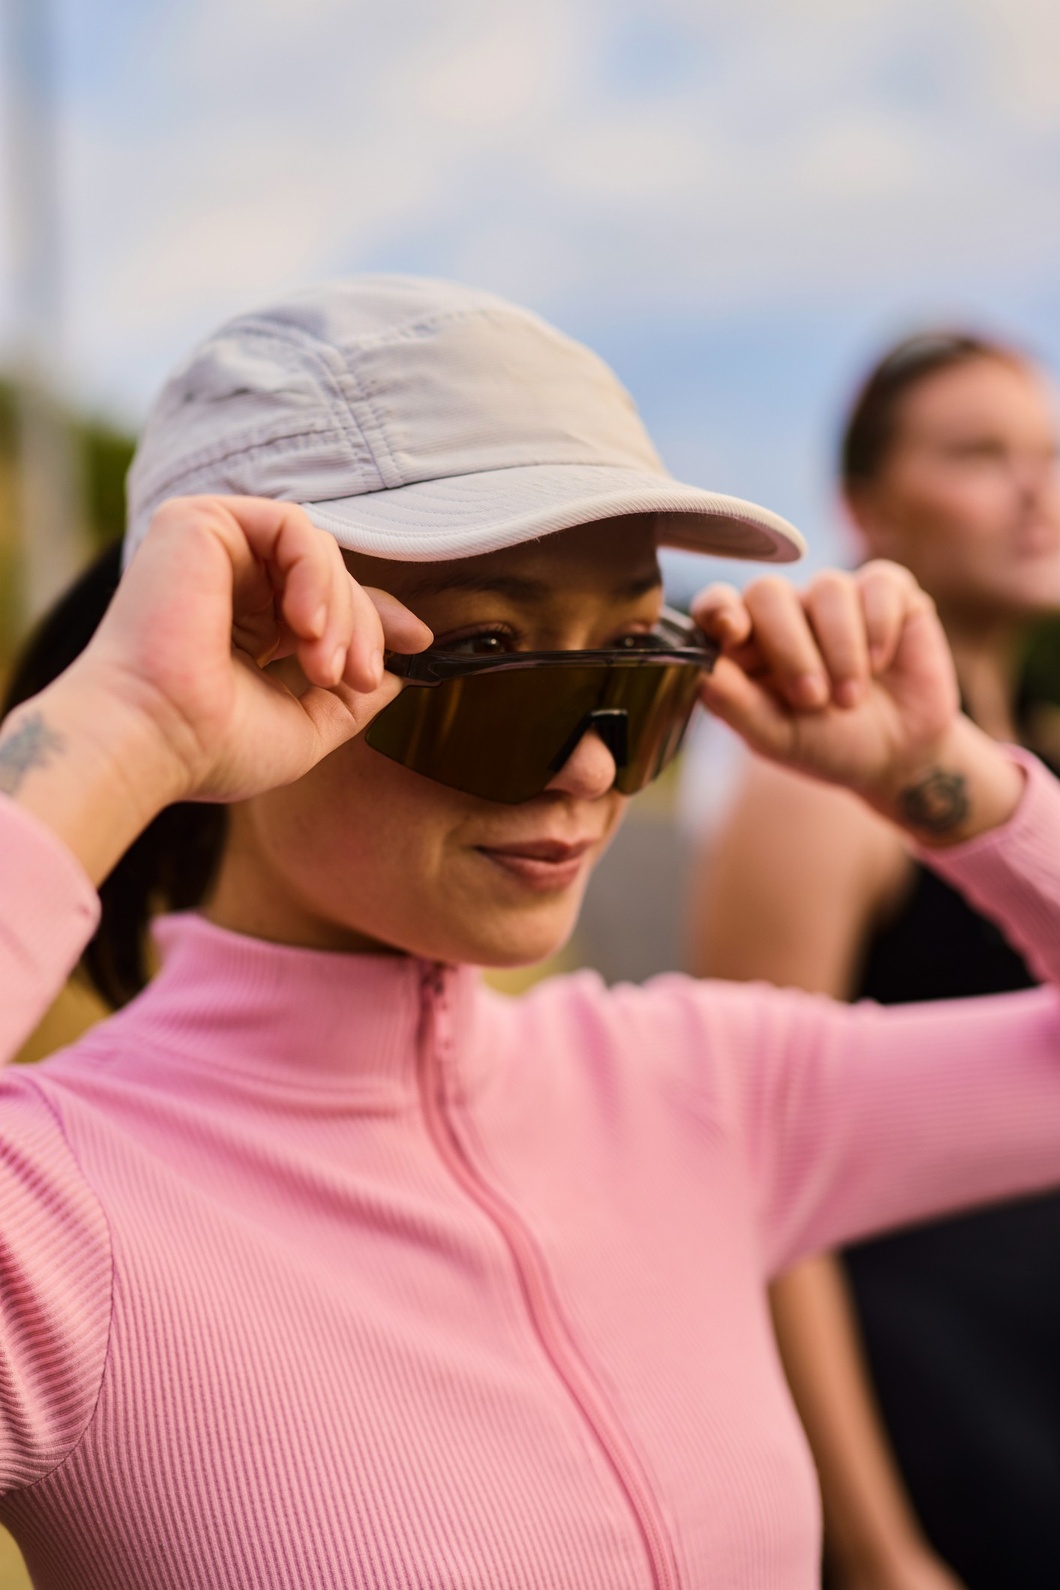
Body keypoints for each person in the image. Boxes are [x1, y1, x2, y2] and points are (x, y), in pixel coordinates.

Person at [2, 279, 1060, 1590]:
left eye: (634, 663)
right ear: (240, 646)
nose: (591, 765)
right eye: (494, 657)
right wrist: (122, 737)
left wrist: (947, 777)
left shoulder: (700, 1087)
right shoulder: (62, 1216)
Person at [686, 330, 1060, 1590]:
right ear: (867, 506)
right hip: (935, 1420)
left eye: (1048, 453)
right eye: (979, 455)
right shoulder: (819, 789)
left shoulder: (1033, 760)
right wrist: (876, 1546)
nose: (1035, 491)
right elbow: (754, 1171)